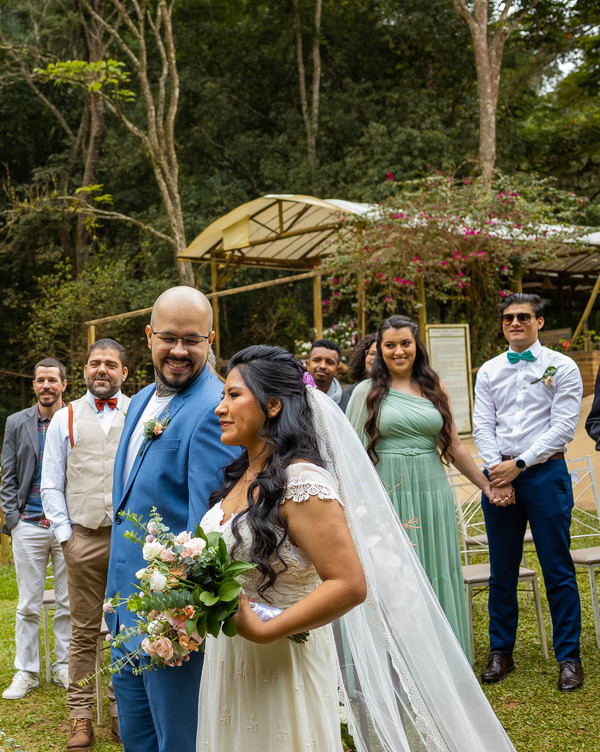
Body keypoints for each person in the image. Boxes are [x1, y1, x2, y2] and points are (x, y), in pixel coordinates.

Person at [197, 345, 519, 752]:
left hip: (281, 659)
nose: (220, 408)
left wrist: (264, 630)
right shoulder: (241, 476)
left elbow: (349, 583)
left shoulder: (301, 483)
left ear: (273, 404)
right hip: (229, 659)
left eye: (233, 395)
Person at [105, 286, 238, 752]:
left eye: (192, 339)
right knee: (136, 739)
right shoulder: (140, 399)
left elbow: (212, 527)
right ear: (148, 337)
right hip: (124, 609)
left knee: (178, 739)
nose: (178, 350)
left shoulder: (216, 409)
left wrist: (179, 617)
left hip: (170, 620)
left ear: (211, 340)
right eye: (168, 338)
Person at [346, 315, 493, 659]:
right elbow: (350, 456)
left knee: (437, 569)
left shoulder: (433, 387)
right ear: (379, 350)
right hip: (387, 493)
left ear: (417, 346)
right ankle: (397, 661)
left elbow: (455, 446)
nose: (398, 351)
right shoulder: (365, 393)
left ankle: (442, 659)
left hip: (432, 490)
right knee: (393, 575)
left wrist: (486, 486)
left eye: (405, 343)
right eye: (390, 345)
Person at [473, 294, 585, 691]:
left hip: (545, 473)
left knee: (557, 568)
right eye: (508, 318)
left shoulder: (564, 366)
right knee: (502, 568)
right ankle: (501, 652)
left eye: (523, 317)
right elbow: (482, 424)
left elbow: (564, 426)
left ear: (539, 321)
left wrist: (519, 465)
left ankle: (569, 657)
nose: (515, 323)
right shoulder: (488, 370)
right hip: (499, 474)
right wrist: (496, 473)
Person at [41, 339, 130, 750]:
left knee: (127, 629)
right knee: (82, 632)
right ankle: (79, 717)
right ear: (84, 371)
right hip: (83, 537)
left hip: (131, 540)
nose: (102, 370)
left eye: (110, 364)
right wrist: (66, 537)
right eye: (95, 363)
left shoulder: (140, 414)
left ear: (123, 373)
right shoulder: (66, 418)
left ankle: (121, 713)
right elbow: (50, 483)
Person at [0, 358, 71, 699]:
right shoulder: (17, 423)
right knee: (28, 603)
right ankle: (26, 671)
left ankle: (64, 666)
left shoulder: (76, 418)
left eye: (52, 380)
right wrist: (13, 522)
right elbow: (8, 476)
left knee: (67, 601)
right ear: (34, 385)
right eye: (40, 380)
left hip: (66, 527)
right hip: (27, 524)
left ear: (63, 385)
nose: (46, 386)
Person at [305, 339, 349, 410]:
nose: (322, 366)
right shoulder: (294, 395)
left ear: (337, 370)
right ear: (308, 365)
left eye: (329, 362)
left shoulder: (347, 403)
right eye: (317, 360)